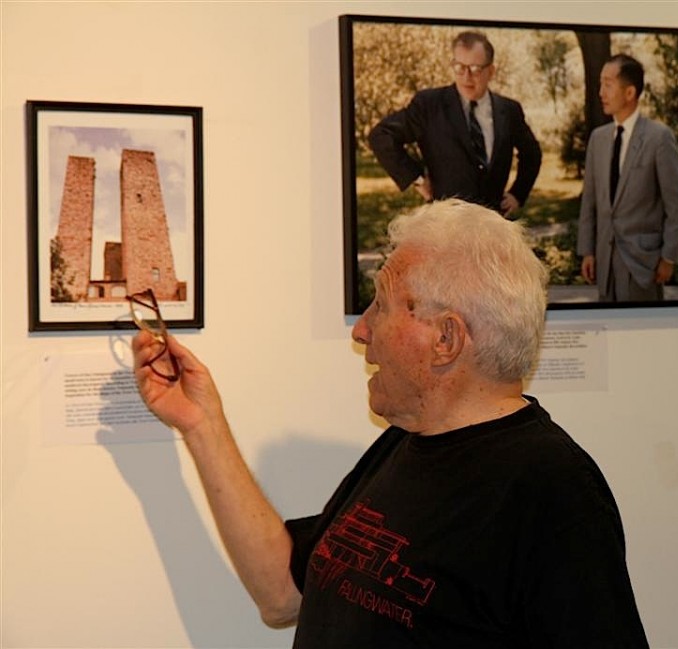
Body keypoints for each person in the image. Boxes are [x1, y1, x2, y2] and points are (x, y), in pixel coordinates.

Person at [133, 198, 650, 647]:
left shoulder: (553, 489)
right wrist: (202, 424)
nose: (361, 331)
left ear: (446, 339)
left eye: (380, 306)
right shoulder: (406, 443)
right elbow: (281, 594)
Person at [368, 31, 542, 218]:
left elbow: (532, 154)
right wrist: (417, 178)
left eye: (475, 69)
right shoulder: (429, 105)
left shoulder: (509, 110)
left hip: (494, 225)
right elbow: (382, 135)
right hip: (446, 226)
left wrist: (517, 194)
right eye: (459, 67)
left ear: (491, 71)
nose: (466, 77)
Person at [577, 53, 678, 301]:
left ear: (629, 93)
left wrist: (669, 257)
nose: (601, 92)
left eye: (608, 84)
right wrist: (587, 251)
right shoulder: (598, 138)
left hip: (644, 265)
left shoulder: (659, 138)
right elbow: (590, 200)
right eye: (600, 84)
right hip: (605, 265)